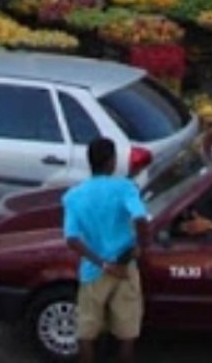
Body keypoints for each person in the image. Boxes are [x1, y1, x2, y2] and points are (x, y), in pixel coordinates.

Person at [62, 138, 149, 363]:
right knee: (127, 333)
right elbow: (140, 217)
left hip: (93, 270)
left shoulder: (73, 196)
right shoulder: (125, 188)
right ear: (112, 162)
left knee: (87, 333)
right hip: (124, 265)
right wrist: (141, 245)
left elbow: (71, 239)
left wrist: (102, 263)